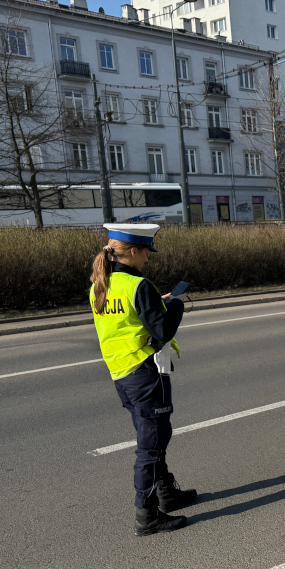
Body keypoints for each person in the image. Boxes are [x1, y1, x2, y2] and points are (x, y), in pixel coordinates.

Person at [90, 224, 197, 536]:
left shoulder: (101, 283)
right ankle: (147, 515)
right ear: (134, 251)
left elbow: (125, 321)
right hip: (146, 372)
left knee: (154, 435)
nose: (148, 258)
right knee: (151, 445)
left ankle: (167, 493)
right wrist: (175, 304)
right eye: (147, 251)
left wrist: (156, 303)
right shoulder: (138, 285)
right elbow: (162, 332)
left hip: (122, 374)